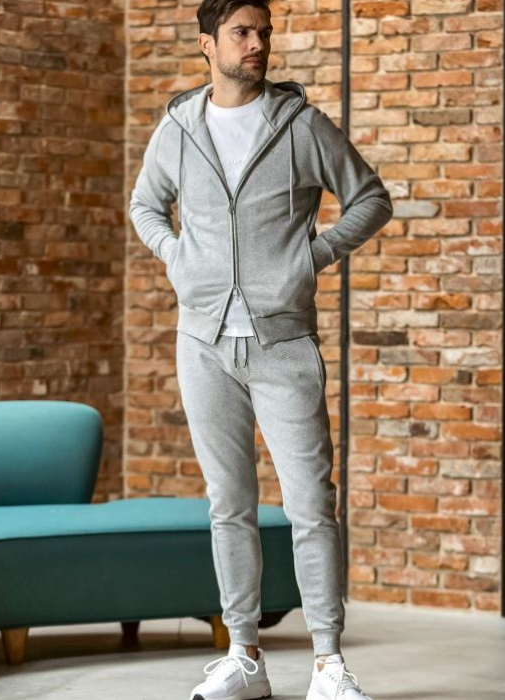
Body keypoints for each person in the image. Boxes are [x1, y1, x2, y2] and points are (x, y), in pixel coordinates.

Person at [129, 1, 393, 698]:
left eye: (263, 33)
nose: (257, 44)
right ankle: (244, 657)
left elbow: (370, 198)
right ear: (207, 43)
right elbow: (145, 205)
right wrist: (178, 257)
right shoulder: (178, 128)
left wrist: (315, 255)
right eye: (242, 33)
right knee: (229, 505)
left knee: (311, 506)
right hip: (203, 342)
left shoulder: (301, 125)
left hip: (284, 342)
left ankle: (329, 664)